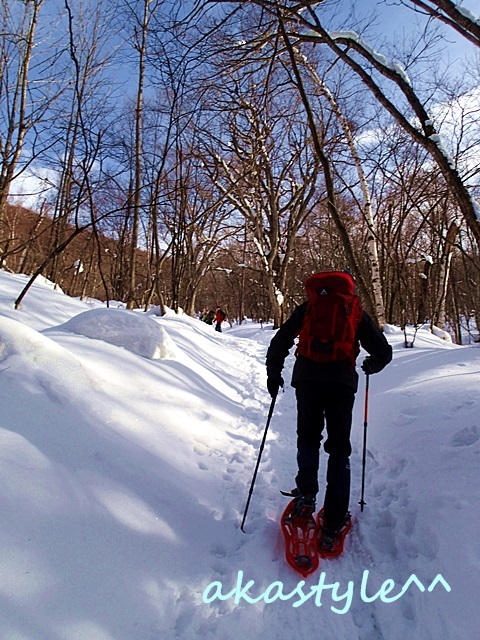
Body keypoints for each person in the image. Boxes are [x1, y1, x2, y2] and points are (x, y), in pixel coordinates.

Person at [265, 271, 392, 551]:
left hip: (307, 379)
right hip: (341, 383)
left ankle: (306, 496)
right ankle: (334, 519)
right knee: (338, 448)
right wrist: (371, 365)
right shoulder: (355, 311)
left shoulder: (309, 307)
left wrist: (274, 374)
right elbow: (383, 353)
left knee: (308, 437)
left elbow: (281, 340)